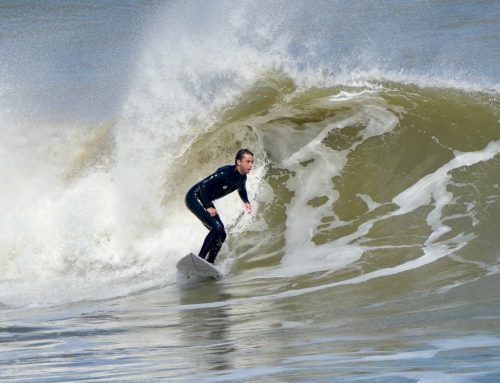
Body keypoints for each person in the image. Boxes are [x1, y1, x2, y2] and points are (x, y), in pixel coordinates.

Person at [185, 149, 254, 264]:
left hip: (204, 199)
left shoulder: (242, 177)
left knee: (221, 233)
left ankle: (210, 262)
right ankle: (200, 260)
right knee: (216, 227)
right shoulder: (225, 172)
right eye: (248, 161)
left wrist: (246, 201)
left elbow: (241, 189)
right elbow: (203, 186)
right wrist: (208, 207)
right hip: (194, 197)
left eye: (252, 162)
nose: (250, 165)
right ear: (238, 162)